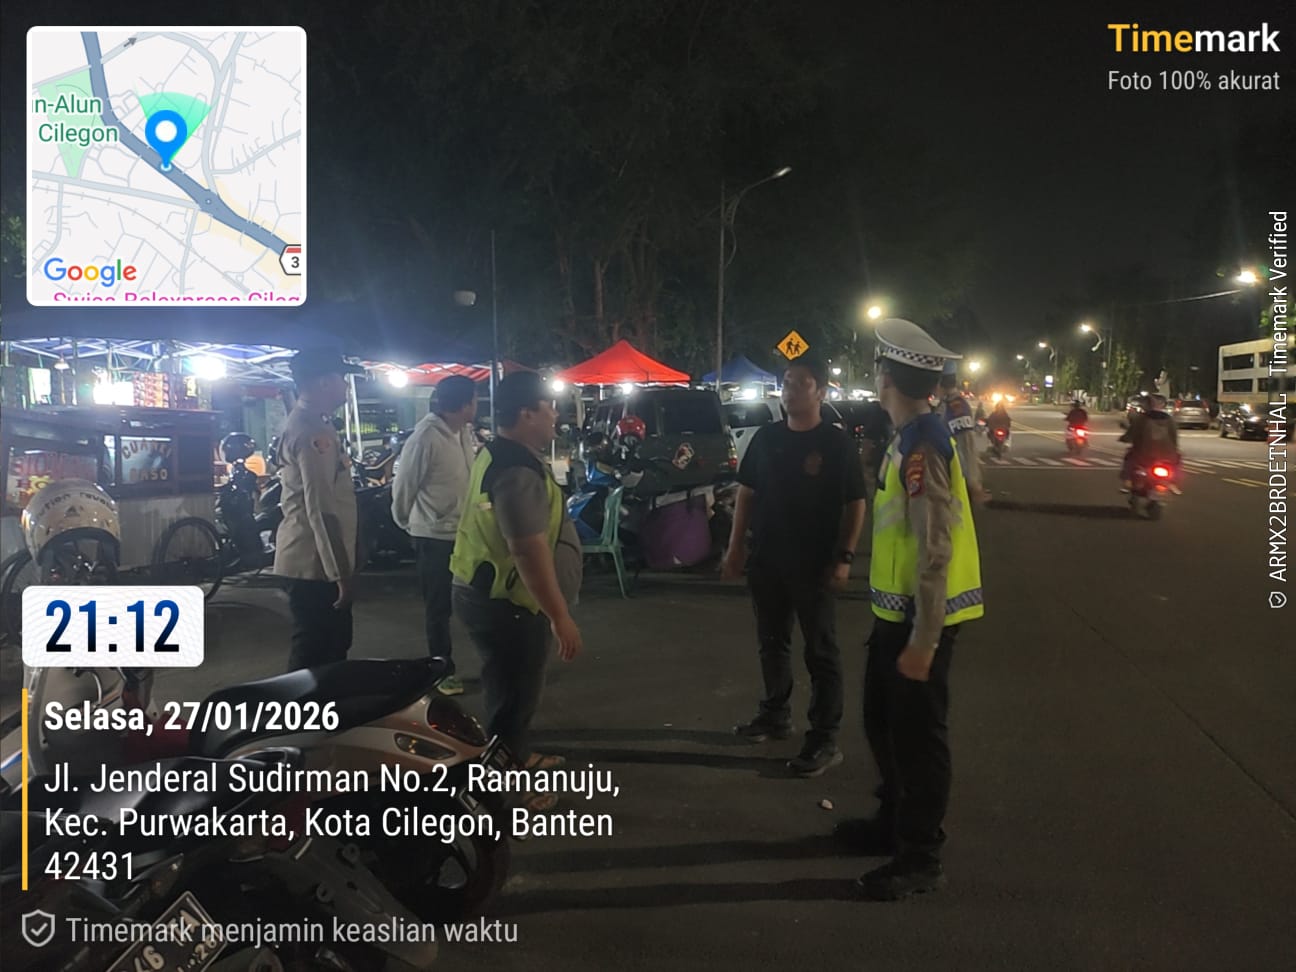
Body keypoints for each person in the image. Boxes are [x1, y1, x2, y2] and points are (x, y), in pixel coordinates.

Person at [833, 318, 985, 901]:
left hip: (922, 621)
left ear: (886, 378)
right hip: (896, 615)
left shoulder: (923, 445)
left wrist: (925, 637)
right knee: (882, 722)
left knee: (919, 738)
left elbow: (935, 546)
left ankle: (921, 855)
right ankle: (892, 822)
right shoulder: (907, 436)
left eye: (878, 368)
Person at [722, 357, 867, 778]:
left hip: (815, 563)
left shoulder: (836, 444)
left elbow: (855, 503)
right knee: (772, 642)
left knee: (820, 651)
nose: (789, 390)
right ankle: (775, 714)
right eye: (786, 382)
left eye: (800, 383)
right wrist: (735, 547)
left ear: (821, 392)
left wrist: (845, 557)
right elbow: (746, 494)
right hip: (768, 559)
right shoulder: (767, 438)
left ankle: (824, 737)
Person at [450, 372, 584, 797]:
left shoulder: (498, 453)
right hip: (508, 602)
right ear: (527, 414)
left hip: (489, 593)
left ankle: (515, 758)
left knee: (506, 688)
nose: (555, 416)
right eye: (549, 408)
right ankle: (503, 792)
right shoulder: (516, 471)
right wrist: (559, 616)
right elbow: (527, 550)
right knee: (514, 698)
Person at [273, 350, 363, 672]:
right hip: (314, 564)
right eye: (343, 378)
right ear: (325, 382)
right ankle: (299, 705)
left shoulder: (309, 422)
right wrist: (340, 573)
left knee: (326, 648)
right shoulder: (314, 432)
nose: (346, 386)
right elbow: (321, 508)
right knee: (318, 653)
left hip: (311, 560)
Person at [391, 375, 478, 695]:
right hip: (433, 535)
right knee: (438, 608)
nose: (477, 406)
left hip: (463, 532)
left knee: (473, 600)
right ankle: (441, 671)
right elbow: (404, 486)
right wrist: (410, 523)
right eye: (475, 400)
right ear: (465, 404)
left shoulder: (463, 433)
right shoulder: (425, 437)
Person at [936, 362, 988, 504]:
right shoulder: (946, 403)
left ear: (939, 382)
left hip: (957, 482)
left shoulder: (956, 407)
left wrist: (972, 482)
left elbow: (965, 445)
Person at [1119, 393, 1180, 491]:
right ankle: (1173, 482)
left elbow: (1132, 433)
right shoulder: (1169, 419)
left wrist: (1124, 438)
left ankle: (1128, 480)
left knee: (1129, 457)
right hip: (1167, 455)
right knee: (1177, 459)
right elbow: (1174, 436)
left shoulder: (1141, 418)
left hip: (1144, 454)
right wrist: (1174, 449)